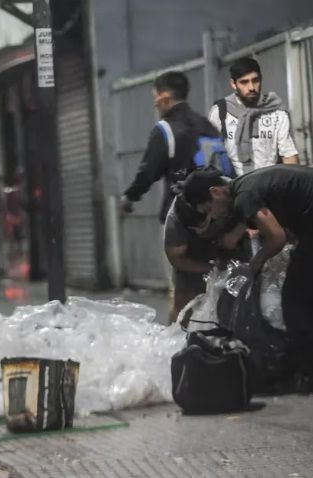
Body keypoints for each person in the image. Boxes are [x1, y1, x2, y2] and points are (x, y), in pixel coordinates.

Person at [182, 165, 313, 392]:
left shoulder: (244, 198)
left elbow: (277, 237)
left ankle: (308, 373)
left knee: (295, 300)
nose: (212, 215)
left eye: (208, 209)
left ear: (215, 192)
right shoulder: (244, 186)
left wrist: (256, 263)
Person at [121, 71, 221, 222]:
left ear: (165, 98)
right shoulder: (207, 125)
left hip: (183, 215)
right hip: (217, 213)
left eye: (155, 98)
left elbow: (148, 172)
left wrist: (130, 196)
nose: (155, 104)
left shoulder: (165, 129)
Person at [208, 57, 299, 176]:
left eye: (255, 80)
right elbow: (211, 155)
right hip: (233, 187)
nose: (251, 87)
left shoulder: (276, 112)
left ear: (261, 79)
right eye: (244, 82)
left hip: (269, 186)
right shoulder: (221, 112)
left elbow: (289, 156)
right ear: (233, 84)